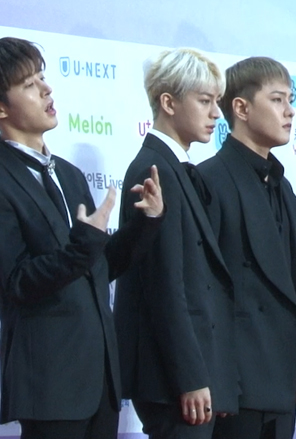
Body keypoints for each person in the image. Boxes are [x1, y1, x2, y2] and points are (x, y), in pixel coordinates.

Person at [0, 36, 163, 439]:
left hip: (100, 381)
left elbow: (97, 267)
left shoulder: (70, 175)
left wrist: (145, 223)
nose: (46, 89)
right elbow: (15, 282)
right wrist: (82, 247)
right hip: (49, 384)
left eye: (42, 77)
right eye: (29, 84)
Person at [114, 48, 239, 439]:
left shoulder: (176, 168)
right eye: (205, 101)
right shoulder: (155, 170)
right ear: (168, 103)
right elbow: (164, 284)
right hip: (171, 381)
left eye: (216, 102)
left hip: (189, 374)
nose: (216, 114)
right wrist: (190, 377)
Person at [197, 56, 296, 439]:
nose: (290, 111)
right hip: (231, 387)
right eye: (277, 100)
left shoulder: (283, 189)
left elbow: (293, 291)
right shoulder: (208, 181)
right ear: (241, 108)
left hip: (282, 382)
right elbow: (202, 291)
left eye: (290, 100)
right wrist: (215, 379)